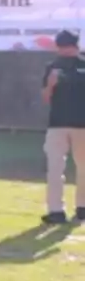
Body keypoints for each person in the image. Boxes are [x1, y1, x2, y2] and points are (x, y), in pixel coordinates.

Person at [40, 29, 85, 224]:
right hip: (57, 124)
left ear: (75, 46)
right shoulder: (52, 66)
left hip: (83, 125)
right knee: (55, 168)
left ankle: (83, 207)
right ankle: (56, 211)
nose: (65, 51)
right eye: (62, 47)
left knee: (83, 167)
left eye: (68, 47)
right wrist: (51, 84)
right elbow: (46, 98)